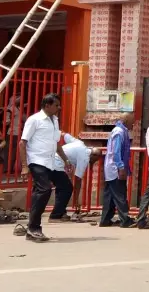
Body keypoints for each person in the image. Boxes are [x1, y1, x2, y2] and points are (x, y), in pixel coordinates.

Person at [19, 94, 73, 242]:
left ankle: (53, 216)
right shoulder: (34, 120)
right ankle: (34, 228)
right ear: (47, 105)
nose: (59, 108)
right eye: (56, 105)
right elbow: (22, 143)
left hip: (51, 162)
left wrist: (66, 160)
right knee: (44, 189)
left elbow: (56, 144)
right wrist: (24, 166)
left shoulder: (55, 120)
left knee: (66, 185)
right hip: (37, 161)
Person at [100, 113, 135, 228]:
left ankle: (105, 220)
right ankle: (125, 220)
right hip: (115, 168)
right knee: (120, 194)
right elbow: (116, 152)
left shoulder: (120, 131)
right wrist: (121, 167)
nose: (133, 124)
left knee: (109, 195)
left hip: (111, 168)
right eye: (132, 121)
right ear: (125, 120)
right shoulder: (119, 132)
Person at [53, 133, 103, 214]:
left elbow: (64, 135)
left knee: (62, 188)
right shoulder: (85, 158)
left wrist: (57, 132)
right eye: (95, 160)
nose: (93, 162)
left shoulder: (80, 143)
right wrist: (76, 201)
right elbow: (78, 179)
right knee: (67, 188)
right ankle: (56, 215)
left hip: (54, 161)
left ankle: (60, 211)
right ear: (94, 155)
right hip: (57, 164)